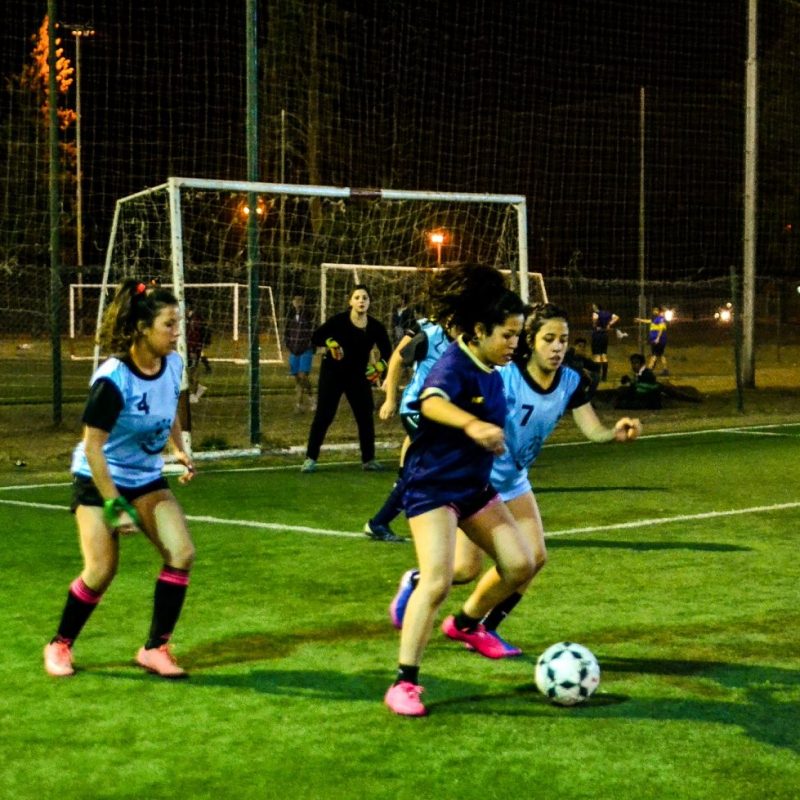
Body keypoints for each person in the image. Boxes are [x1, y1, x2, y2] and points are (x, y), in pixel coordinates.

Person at [388, 303, 641, 660]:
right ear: (531, 341)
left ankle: (474, 625)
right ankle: (416, 583)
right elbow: (444, 406)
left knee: (533, 559)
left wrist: (611, 434)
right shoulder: (503, 375)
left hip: (515, 479)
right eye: (548, 339)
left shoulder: (572, 381)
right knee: (463, 569)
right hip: (478, 478)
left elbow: (592, 428)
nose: (557, 347)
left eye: (563, 340)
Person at [383, 264, 536, 717]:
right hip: (433, 488)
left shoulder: (491, 365)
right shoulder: (455, 363)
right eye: (507, 335)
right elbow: (430, 401)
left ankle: (466, 626)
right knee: (437, 580)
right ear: (480, 330)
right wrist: (470, 424)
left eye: (517, 335)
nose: (515, 344)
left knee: (521, 563)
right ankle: (404, 683)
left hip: (473, 488)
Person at [44, 279, 197, 679]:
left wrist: (178, 448)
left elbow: (168, 411)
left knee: (181, 553)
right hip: (98, 477)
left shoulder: (174, 363)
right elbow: (93, 448)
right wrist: (115, 504)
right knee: (101, 569)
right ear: (144, 328)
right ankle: (60, 643)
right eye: (169, 324)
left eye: (177, 323)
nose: (176, 332)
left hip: (145, 478)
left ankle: (155, 649)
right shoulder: (114, 379)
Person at [364, 310, 460, 542]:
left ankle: (381, 519)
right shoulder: (429, 335)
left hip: (441, 412)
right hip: (417, 408)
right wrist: (390, 398)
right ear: (450, 321)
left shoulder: (464, 344)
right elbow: (397, 358)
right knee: (439, 462)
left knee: (426, 468)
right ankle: (385, 519)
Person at [301, 284, 393, 473]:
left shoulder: (375, 326)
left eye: (365, 298)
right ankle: (310, 458)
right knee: (324, 416)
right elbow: (316, 337)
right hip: (333, 374)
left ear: (369, 302)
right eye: (357, 297)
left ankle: (368, 459)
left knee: (365, 416)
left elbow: (387, 351)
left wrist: (381, 366)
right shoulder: (338, 321)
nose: (361, 301)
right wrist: (330, 342)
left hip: (358, 376)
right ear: (350, 301)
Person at [284, 294, 316, 413]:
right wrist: (289, 345)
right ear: (292, 302)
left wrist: (311, 345)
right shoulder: (290, 315)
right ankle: (300, 404)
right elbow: (287, 332)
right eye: (295, 300)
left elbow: (314, 331)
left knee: (303, 375)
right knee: (297, 377)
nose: (298, 302)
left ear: (303, 302)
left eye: (300, 300)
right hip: (294, 349)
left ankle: (311, 399)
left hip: (306, 349)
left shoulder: (309, 315)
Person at [186, 305, 211, 403]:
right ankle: (199, 389)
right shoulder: (190, 319)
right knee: (187, 373)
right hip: (190, 349)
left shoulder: (194, 320)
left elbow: (195, 336)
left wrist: (193, 350)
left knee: (191, 372)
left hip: (193, 349)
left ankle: (193, 394)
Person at [591, 304, 620, 382]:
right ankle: (604, 377)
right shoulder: (607, 313)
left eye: (593, 306)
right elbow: (616, 317)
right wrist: (609, 324)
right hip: (605, 335)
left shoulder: (595, 313)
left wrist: (595, 323)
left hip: (597, 334)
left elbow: (594, 322)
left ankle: (597, 376)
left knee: (597, 356)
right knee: (604, 355)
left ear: (596, 307)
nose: (592, 307)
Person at [635, 305, 668, 374]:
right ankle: (665, 370)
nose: (654, 311)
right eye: (654, 310)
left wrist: (658, 338)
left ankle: (649, 369)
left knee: (654, 354)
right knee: (661, 354)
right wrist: (639, 320)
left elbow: (661, 329)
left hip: (658, 339)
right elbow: (648, 321)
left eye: (656, 310)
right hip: (656, 339)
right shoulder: (655, 319)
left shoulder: (660, 318)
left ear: (659, 312)